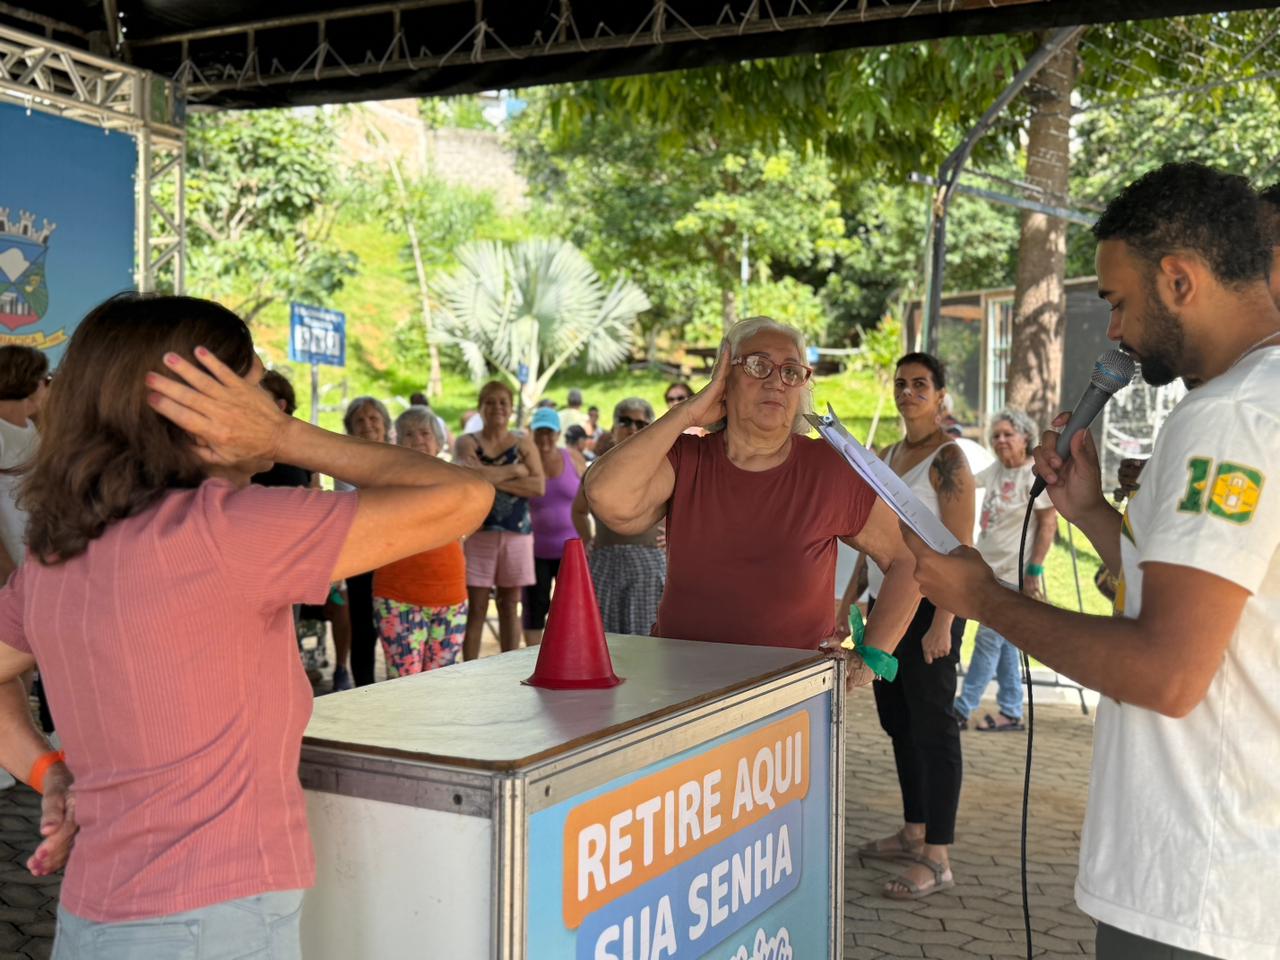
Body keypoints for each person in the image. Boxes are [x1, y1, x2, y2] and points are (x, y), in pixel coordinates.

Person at [2, 292, 492, 956]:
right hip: (210, 922)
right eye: (256, 393)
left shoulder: (58, 550)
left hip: (94, 920)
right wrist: (288, 440)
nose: (272, 410)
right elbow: (466, 496)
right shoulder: (227, 533)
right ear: (197, 410)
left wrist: (47, 772)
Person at [904, 162, 1280, 959]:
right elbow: (1237, 601)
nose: (1113, 332)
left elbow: (1167, 674)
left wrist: (985, 599)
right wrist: (1093, 517)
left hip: (1198, 884)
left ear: (1178, 279)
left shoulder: (1230, 418)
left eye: (1117, 302)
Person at [584, 314, 921, 681]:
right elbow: (605, 497)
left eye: (791, 371)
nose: (776, 381)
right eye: (759, 366)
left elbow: (909, 560)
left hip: (789, 702)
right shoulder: (687, 458)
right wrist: (687, 413)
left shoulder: (828, 467)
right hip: (682, 688)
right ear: (724, 378)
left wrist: (871, 656)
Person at [837, 352, 975, 899]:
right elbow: (872, 542)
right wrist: (851, 601)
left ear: (940, 394)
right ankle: (913, 830)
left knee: (934, 727)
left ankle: (937, 857)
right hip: (884, 603)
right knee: (899, 723)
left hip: (931, 610)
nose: (908, 391)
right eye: (901, 383)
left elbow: (962, 548)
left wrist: (945, 622)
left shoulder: (950, 459)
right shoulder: (888, 454)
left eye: (921, 384)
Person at [951, 408, 1057, 732]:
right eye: (995, 435)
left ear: (1025, 437)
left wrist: (1034, 569)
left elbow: (1048, 523)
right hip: (986, 570)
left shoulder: (1033, 476)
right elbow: (963, 482)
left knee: (987, 640)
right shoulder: (996, 470)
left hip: (1013, 574)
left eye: (1008, 434)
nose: (1000, 441)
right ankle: (1011, 711)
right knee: (1005, 644)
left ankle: (961, 707)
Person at [253, 371, 353, 689]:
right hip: (253, 551)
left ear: (280, 404)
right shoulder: (246, 457)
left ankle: (287, 679)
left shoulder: (300, 450)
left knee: (286, 627)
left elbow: (315, 496)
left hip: (292, 554)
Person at [372, 407, 469, 674]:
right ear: (397, 442)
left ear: (438, 442)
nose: (417, 439)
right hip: (399, 596)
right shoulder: (385, 481)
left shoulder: (456, 480)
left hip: (451, 596)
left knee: (442, 685)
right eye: (409, 434)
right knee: (405, 684)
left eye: (425, 433)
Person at [455, 381, 545, 659]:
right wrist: (517, 470)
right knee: (477, 608)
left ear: (511, 408)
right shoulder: (466, 442)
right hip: (478, 533)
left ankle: (508, 668)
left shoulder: (523, 441)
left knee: (510, 604)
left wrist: (488, 476)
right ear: (481, 407)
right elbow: (467, 478)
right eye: (491, 402)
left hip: (516, 534)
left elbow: (538, 487)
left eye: (503, 402)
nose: (497, 408)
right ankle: (467, 668)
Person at [572, 398, 668, 635]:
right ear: (613, 428)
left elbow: (689, 505)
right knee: (603, 641)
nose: (632, 428)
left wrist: (676, 536)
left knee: (647, 641)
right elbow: (578, 510)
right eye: (625, 421)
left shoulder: (665, 466)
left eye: (640, 423)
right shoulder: (598, 469)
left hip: (649, 563)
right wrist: (587, 538)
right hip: (605, 560)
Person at [334, 396, 394, 689]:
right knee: (363, 631)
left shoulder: (402, 459)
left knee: (400, 631)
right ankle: (365, 692)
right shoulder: (345, 464)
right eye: (360, 420)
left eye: (374, 419)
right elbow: (358, 509)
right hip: (364, 558)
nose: (368, 425)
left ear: (385, 425)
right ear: (350, 429)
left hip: (399, 557)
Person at [523, 408, 587, 646]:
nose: (544, 438)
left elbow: (590, 492)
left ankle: (567, 655)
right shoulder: (524, 461)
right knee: (534, 609)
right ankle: (531, 658)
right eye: (540, 432)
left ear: (558, 433)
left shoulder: (573, 457)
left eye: (549, 432)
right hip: (534, 549)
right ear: (532, 433)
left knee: (570, 608)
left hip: (570, 547)